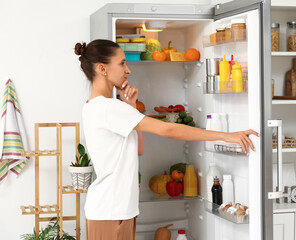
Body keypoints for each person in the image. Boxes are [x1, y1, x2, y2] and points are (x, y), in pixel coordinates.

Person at [74, 39, 258, 240]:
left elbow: (139, 149)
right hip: (111, 210)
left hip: (115, 209)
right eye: (122, 63)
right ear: (102, 68)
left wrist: (132, 106)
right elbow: (168, 129)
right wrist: (226, 136)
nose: (128, 70)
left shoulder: (97, 106)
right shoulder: (108, 107)